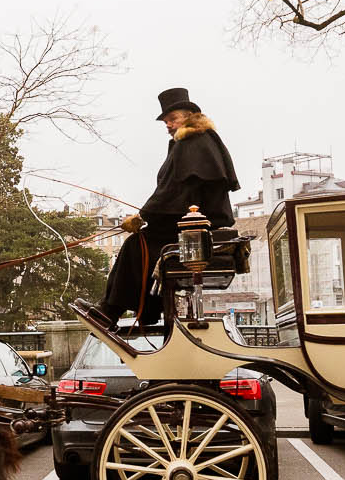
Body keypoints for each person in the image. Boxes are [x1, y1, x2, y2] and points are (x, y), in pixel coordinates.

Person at [98, 88, 239, 327]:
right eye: (166, 122)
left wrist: (142, 216)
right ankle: (142, 311)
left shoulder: (192, 142)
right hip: (195, 223)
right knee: (143, 243)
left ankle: (112, 310)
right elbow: (176, 192)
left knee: (136, 244)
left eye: (172, 119)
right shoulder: (199, 141)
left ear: (188, 116)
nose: (168, 125)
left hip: (196, 228)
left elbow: (175, 191)